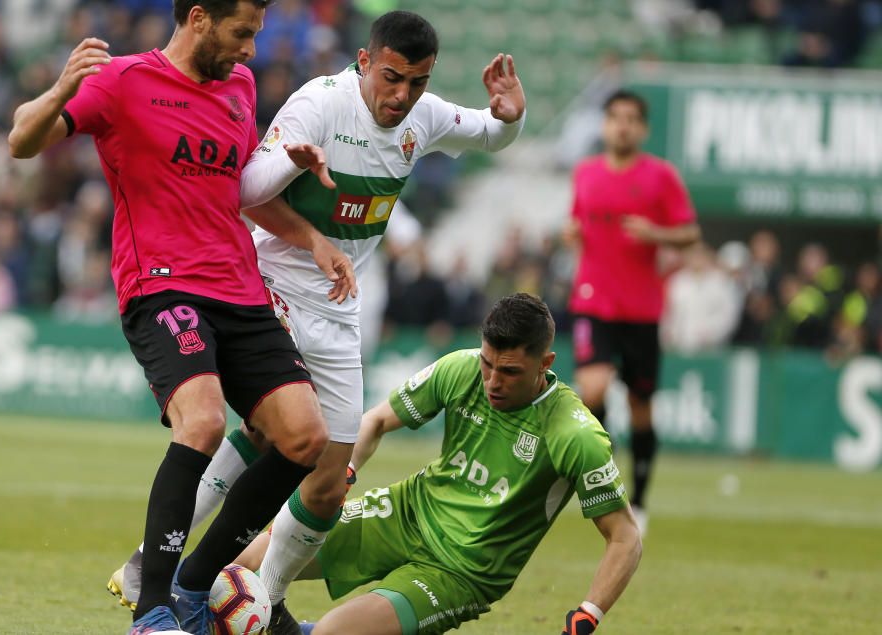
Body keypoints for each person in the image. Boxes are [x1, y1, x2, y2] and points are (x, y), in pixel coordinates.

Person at [105, 11, 526, 633]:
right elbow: (246, 188)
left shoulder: (425, 116)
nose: (402, 95)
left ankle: (253, 595)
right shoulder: (320, 103)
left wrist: (509, 117)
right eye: (391, 78)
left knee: (328, 481)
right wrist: (294, 163)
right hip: (268, 284)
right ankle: (164, 572)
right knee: (268, 431)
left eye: (417, 82)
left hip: (337, 305)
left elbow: (488, 133)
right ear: (364, 61)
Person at [7, 1, 357, 633]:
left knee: (306, 437)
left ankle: (194, 586)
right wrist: (60, 89)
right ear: (199, 18)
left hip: (240, 290)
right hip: (162, 285)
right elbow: (22, 141)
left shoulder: (239, 87)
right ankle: (152, 611)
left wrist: (312, 239)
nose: (251, 50)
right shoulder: (122, 80)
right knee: (203, 422)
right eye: (242, 33)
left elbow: (239, 193)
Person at [237, 293, 642, 635]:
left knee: (333, 632)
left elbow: (625, 537)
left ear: (545, 363)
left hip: (462, 571)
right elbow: (375, 421)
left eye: (509, 371)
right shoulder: (461, 369)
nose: (492, 382)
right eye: (488, 363)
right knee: (244, 569)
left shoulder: (576, 435)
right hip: (406, 513)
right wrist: (346, 471)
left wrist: (588, 613)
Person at [562, 90, 700, 535]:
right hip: (593, 300)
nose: (622, 126)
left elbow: (690, 233)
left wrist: (656, 234)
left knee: (641, 405)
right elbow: (577, 222)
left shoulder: (661, 177)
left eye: (630, 119)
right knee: (593, 389)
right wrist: (572, 234)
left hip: (641, 307)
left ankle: (638, 500)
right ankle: (606, 471)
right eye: (615, 118)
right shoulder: (585, 172)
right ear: (604, 125)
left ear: (643, 129)